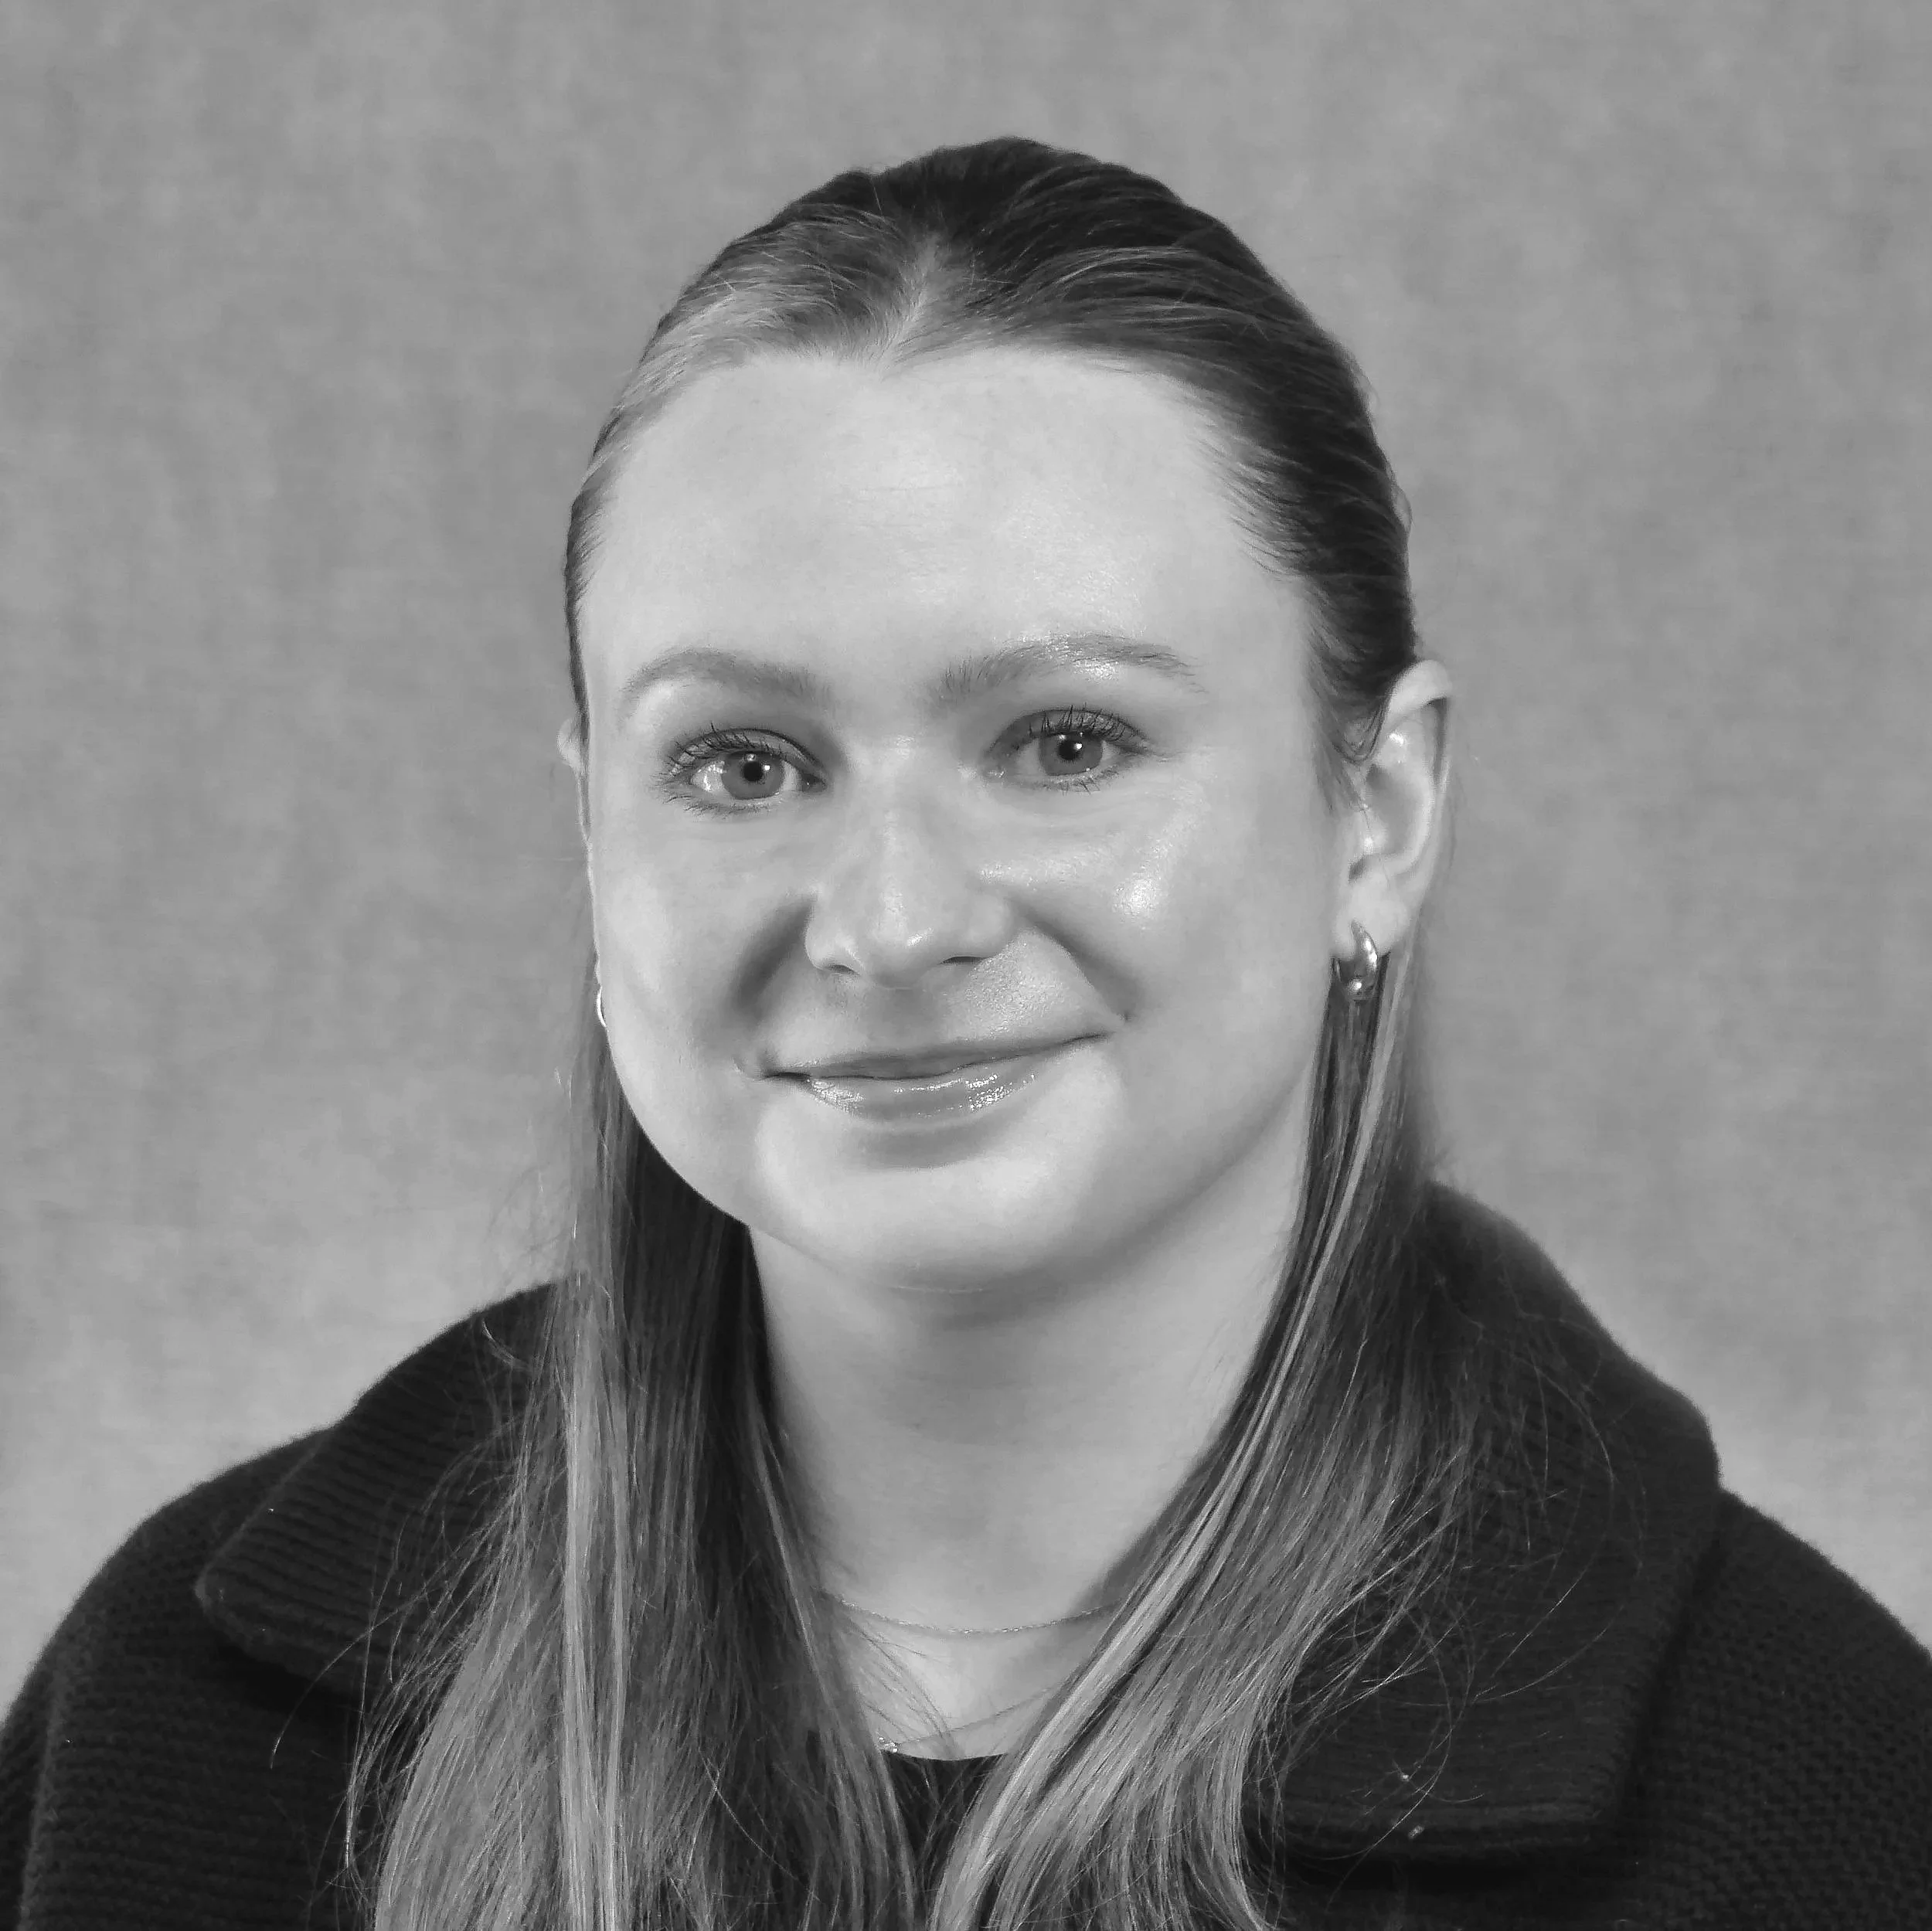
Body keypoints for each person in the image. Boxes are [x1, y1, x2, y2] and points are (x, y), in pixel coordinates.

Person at [2, 134, 1927, 1931]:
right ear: (592, 825)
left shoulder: (1810, 1806)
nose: (894, 917)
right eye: (743, 762)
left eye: (1066, 742)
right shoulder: (170, 1722)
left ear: (1381, 809)